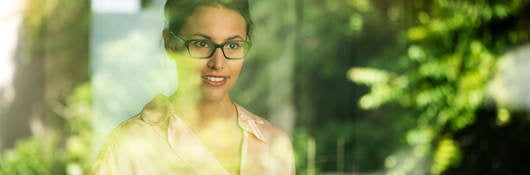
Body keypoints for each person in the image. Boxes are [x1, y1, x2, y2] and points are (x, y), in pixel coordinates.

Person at [89, 0, 295, 174]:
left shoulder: (273, 144)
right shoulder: (130, 145)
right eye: (201, 44)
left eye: (233, 46)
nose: (218, 63)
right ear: (170, 44)